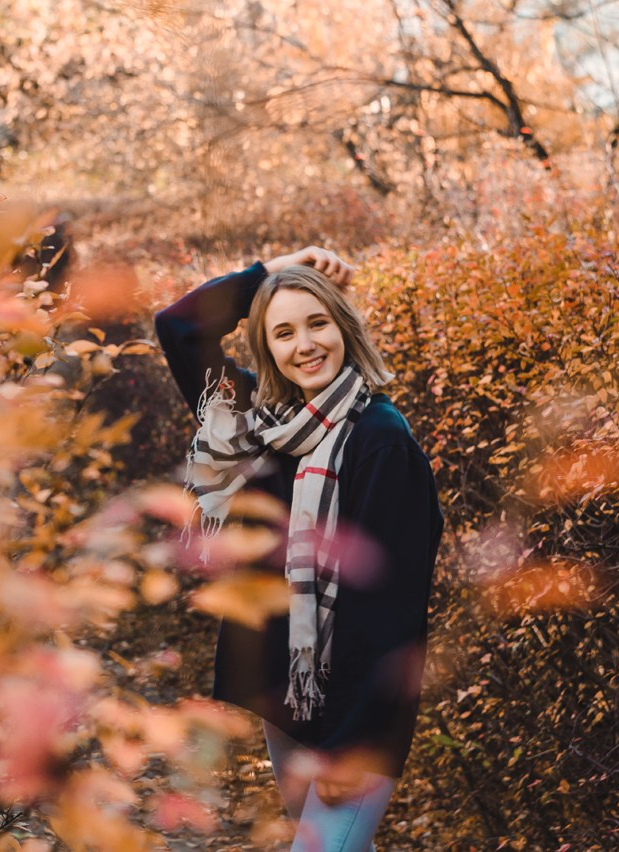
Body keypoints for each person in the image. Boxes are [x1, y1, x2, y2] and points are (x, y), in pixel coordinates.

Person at [154, 246, 443, 850]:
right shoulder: (260, 422)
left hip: (353, 716)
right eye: (282, 332)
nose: (304, 344)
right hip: (287, 701)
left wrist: (350, 744)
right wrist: (272, 271)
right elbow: (179, 326)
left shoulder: (381, 442)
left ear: (345, 328)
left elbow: (391, 611)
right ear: (267, 347)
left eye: (318, 323)